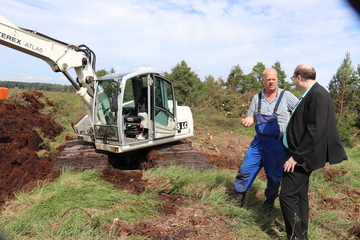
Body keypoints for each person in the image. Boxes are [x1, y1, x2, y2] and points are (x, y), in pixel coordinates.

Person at [280, 64, 347, 240]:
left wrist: (296, 156)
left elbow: (316, 130)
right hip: (300, 154)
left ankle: (295, 237)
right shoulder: (312, 93)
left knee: (287, 196)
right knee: (300, 195)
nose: (293, 81)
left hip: (302, 157)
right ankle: (302, 234)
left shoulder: (317, 94)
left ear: (299, 77)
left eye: (293, 78)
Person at [232, 68, 298, 214]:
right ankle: (238, 197)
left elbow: (302, 111)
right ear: (263, 80)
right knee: (245, 169)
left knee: (274, 177)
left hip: (277, 145)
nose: (271, 81)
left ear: (277, 80)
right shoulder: (257, 97)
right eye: (268, 79)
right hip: (258, 143)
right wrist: (250, 119)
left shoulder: (287, 96)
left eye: (274, 79)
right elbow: (251, 116)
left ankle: (269, 202)